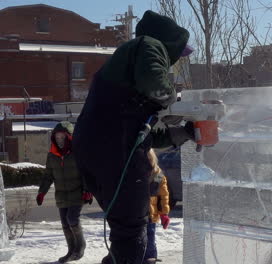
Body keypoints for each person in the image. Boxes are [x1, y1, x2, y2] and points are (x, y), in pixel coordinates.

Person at [72, 11, 194, 264]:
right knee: (131, 231)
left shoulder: (129, 68)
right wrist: (175, 101)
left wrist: (183, 133)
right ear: (170, 43)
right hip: (113, 149)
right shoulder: (149, 44)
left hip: (99, 147)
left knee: (124, 230)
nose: (175, 62)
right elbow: (157, 86)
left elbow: (141, 135)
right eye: (178, 54)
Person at [36, 121, 93, 263]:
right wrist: (41, 192)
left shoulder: (77, 153)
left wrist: (87, 190)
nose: (59, 140)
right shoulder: (52, 156)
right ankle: (71, 250)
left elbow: (86, 173)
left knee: (72, 218)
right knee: (65, 223)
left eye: (62, 137)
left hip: (77, 192)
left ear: (69, 137)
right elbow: (48, 176)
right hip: (61, 194)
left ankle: (80, 247)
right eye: (57, 137)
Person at [144, 149, 170, 264]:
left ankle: (150, 260)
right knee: (137, 239)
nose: (147, 162)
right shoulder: (134, 172)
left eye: (149, 159)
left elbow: (163, 196)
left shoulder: (158, 175)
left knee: (150, 239)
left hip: (151, 215)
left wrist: (164, 214)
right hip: (136, 214)